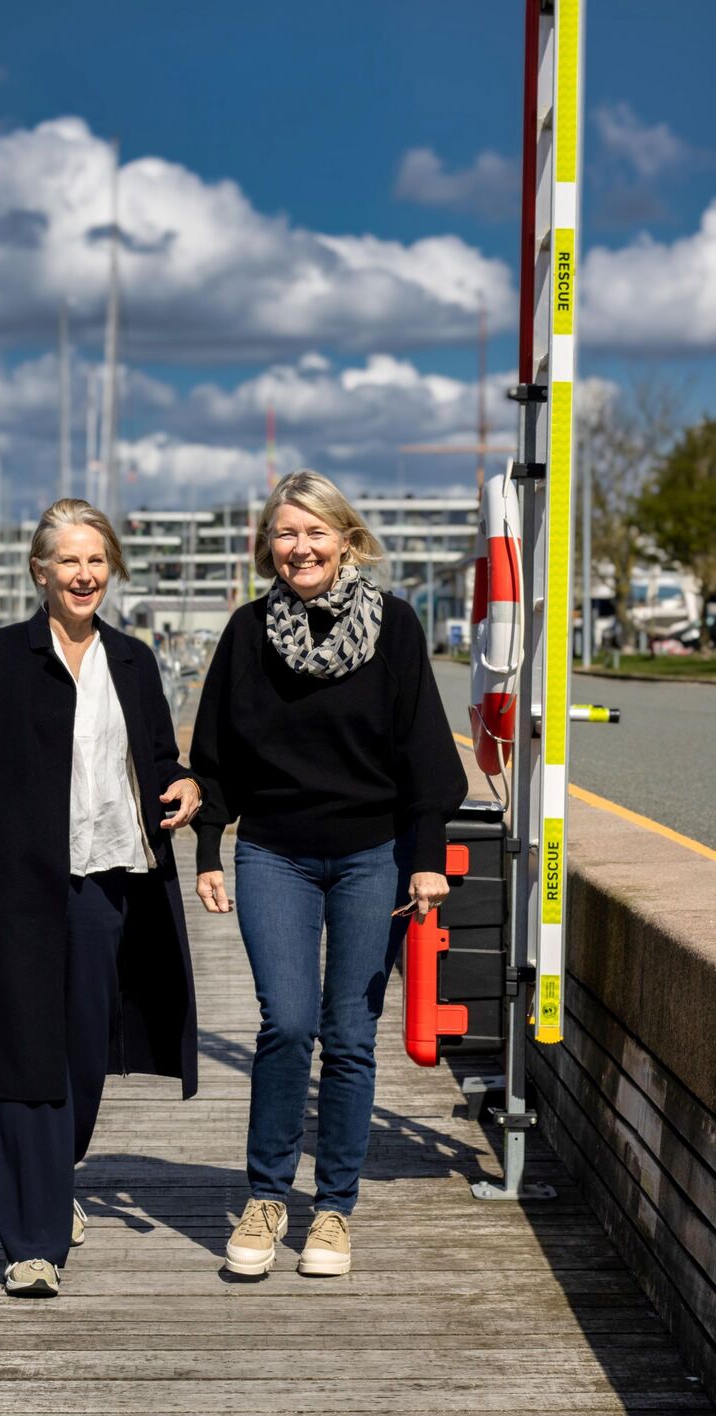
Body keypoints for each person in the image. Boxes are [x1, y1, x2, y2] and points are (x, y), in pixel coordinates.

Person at [191, 471, 467, 1279]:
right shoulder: (247, 633)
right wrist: (209, 848)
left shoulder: (397, 628)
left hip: (371, 856)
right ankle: (267, 1197)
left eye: (316, 532)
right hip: (273, 851)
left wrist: (425, 857)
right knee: (286, 1023)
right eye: (286, 533)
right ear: (266, 546)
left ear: (345, 539)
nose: (300, 548)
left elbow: (425, 758)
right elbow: (216, 756)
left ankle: (335, 1208)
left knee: (349, 1034)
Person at [0, 498, 202, 1297]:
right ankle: (32, 1244)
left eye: (96, 560)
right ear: (39, 571)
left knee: (84, 1052)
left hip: (108, 881)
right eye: (68, 561)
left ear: (109, 569)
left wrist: (186, 784)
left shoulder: (132, 659)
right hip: (11, 889)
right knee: (24, 1059)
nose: (84, 574)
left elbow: (160, 757)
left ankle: (56, 1181)